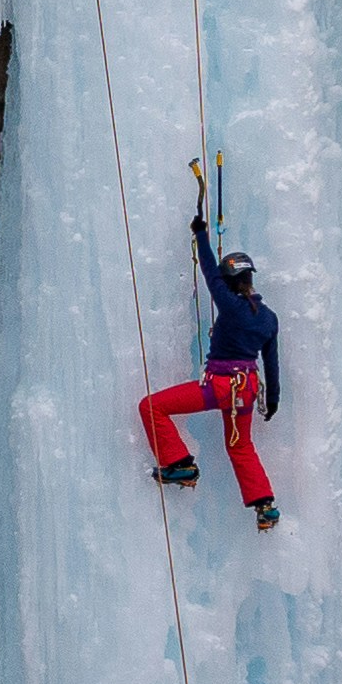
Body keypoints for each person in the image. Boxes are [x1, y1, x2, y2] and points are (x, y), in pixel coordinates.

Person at [141, 209, 279, 528]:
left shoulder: (231, 307)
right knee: (241, 445)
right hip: (247, 390)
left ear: (230, 282)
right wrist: (273, 399)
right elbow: (271, 360)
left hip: (219, 387)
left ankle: (179, 463)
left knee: (152, 407)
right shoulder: (268, 317)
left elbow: (209, 275)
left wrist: (200, 234)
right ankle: (265, 505)